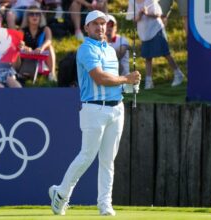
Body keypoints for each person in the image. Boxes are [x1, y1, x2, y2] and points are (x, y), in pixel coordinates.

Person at [48, 10, 141, 216]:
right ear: (87, 28)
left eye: (103, 23)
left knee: (108, 160)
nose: (101, 27)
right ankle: (61, 194)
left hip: (117, 108)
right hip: (94, 109)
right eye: (96, 24)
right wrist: (126, 79)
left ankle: (105, 204)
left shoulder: (109, 50)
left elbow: (114, 82)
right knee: (87, 156)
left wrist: (130, 85)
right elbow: (100, 78)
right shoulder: (85, 49)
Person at [126, 0, 184, 89]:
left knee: (166, 53)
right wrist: (140, 14)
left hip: (156, 29)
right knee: (148, 57)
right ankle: (149, 82)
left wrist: (147, 13)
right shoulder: (131, 2)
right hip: (144, 33)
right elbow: (134, 19)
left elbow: (158, 15)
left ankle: (178, 74)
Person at [19, 5, 56, 81]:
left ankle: (52, 74)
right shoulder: (22, 30)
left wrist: (41, 48)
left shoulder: (46, 29)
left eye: (37, 14)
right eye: (31, 14)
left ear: (40, 17)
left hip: (41, 57)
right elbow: (19, 43)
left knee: (49, 47)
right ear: (27, 17)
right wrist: (25, 47)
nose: (34, 16)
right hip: (26, 57)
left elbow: (49, 40)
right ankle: (16, 73)